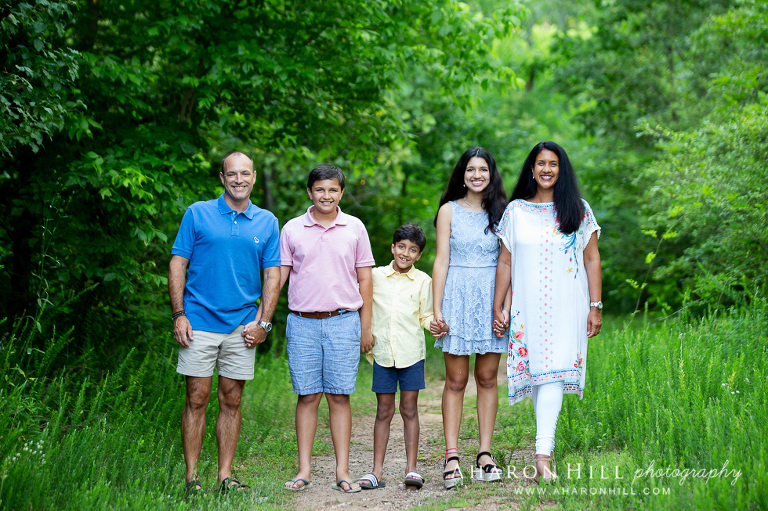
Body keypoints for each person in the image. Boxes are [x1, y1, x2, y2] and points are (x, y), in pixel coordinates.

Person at [168, 151, 281, 494]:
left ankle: (225, 477)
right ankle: (192, 479)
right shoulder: (197, 213)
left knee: (231, 400)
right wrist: (179, 314)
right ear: (222, 178)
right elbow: (177, 264)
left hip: (242, 326)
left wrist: (263, 323)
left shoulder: (267, 221)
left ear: (254, 177)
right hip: (198, 322)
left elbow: (272, 275)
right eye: (232, 174)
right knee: (196, 398)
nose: (238, 179)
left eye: (245, 173)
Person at [492, 141, 602, 483]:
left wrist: (595, 306)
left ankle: (542, 456)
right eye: (541, 163)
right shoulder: (515, 211)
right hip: (527, 305)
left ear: (561, 169)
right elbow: (506, 261)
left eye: (553, 164)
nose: (547, 169)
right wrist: (499, 305)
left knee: (552, 372)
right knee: (539, 373)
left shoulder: (578, 210)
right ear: (531, 168)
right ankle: (544, 451)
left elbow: (592, 258)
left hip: (568, 304)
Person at [279, 164, 375, 493]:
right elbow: (279, 276)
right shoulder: (292, 229)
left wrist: (365, 328)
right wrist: (263, 315)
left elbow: (365, 280)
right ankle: (304, 469)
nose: (326, 195)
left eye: (333, 190)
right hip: (302, 323)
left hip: (343, 322)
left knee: (339, 396)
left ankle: (342, 471)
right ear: (310, 192)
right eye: (320, 189)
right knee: (307, 396)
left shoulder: (355, 228)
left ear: (342, 193)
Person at [429, 147, 510, 489]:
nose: (477, 175)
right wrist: (437, 309)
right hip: (457, 298)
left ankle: (485, 454)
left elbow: (509, 262)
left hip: (491, 298)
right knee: (456, 380)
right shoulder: (448, 210)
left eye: (483, 169)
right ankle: (451, 457)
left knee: (488, 378)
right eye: (470, 169)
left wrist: (504, 307)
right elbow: (441, 260)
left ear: (491, 174)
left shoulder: (503, 212)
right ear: (462, 174)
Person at [355, 223, 434, 491]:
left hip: (411, 354)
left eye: (412, 250)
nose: (405, 253)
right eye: (402, 246)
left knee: (409, 409)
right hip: (383, 354)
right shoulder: (375, 276)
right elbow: (363, 303)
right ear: (392, 247)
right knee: (384, 410)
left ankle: (411, 469)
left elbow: (425, 316)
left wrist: (435, 324)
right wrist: (364, 331)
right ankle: (376, 471)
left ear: (418, 255)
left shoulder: (423, 281)